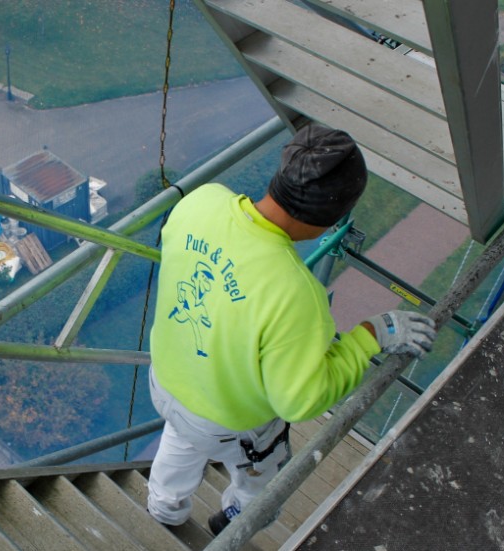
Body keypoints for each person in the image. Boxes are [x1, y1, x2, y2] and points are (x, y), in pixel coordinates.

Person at [145, 123, 437, 535]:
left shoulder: (202, 202)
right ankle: (234, 519)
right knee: (262, 480)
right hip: (227, 421)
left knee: (180, 442)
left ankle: (164, 509)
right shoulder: (296, 294)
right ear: (333, 218)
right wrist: (371, 336)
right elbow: (300, 402)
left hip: (166, 383)